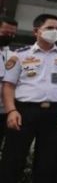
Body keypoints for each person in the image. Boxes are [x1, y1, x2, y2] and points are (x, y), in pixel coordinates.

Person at [0, 13, 57, 183]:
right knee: (13, 159)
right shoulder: (20, 55)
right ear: (36, 31)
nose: (55, 31)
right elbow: (8, 85)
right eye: (50, 28)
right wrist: (11, 110)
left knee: (48, 162)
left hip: (55, 113)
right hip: (24, 111)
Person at [0, 16, 18, 148]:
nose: (10, 36)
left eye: (12, 34)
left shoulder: (13, 55)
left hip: (3, 110)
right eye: (6, 33)